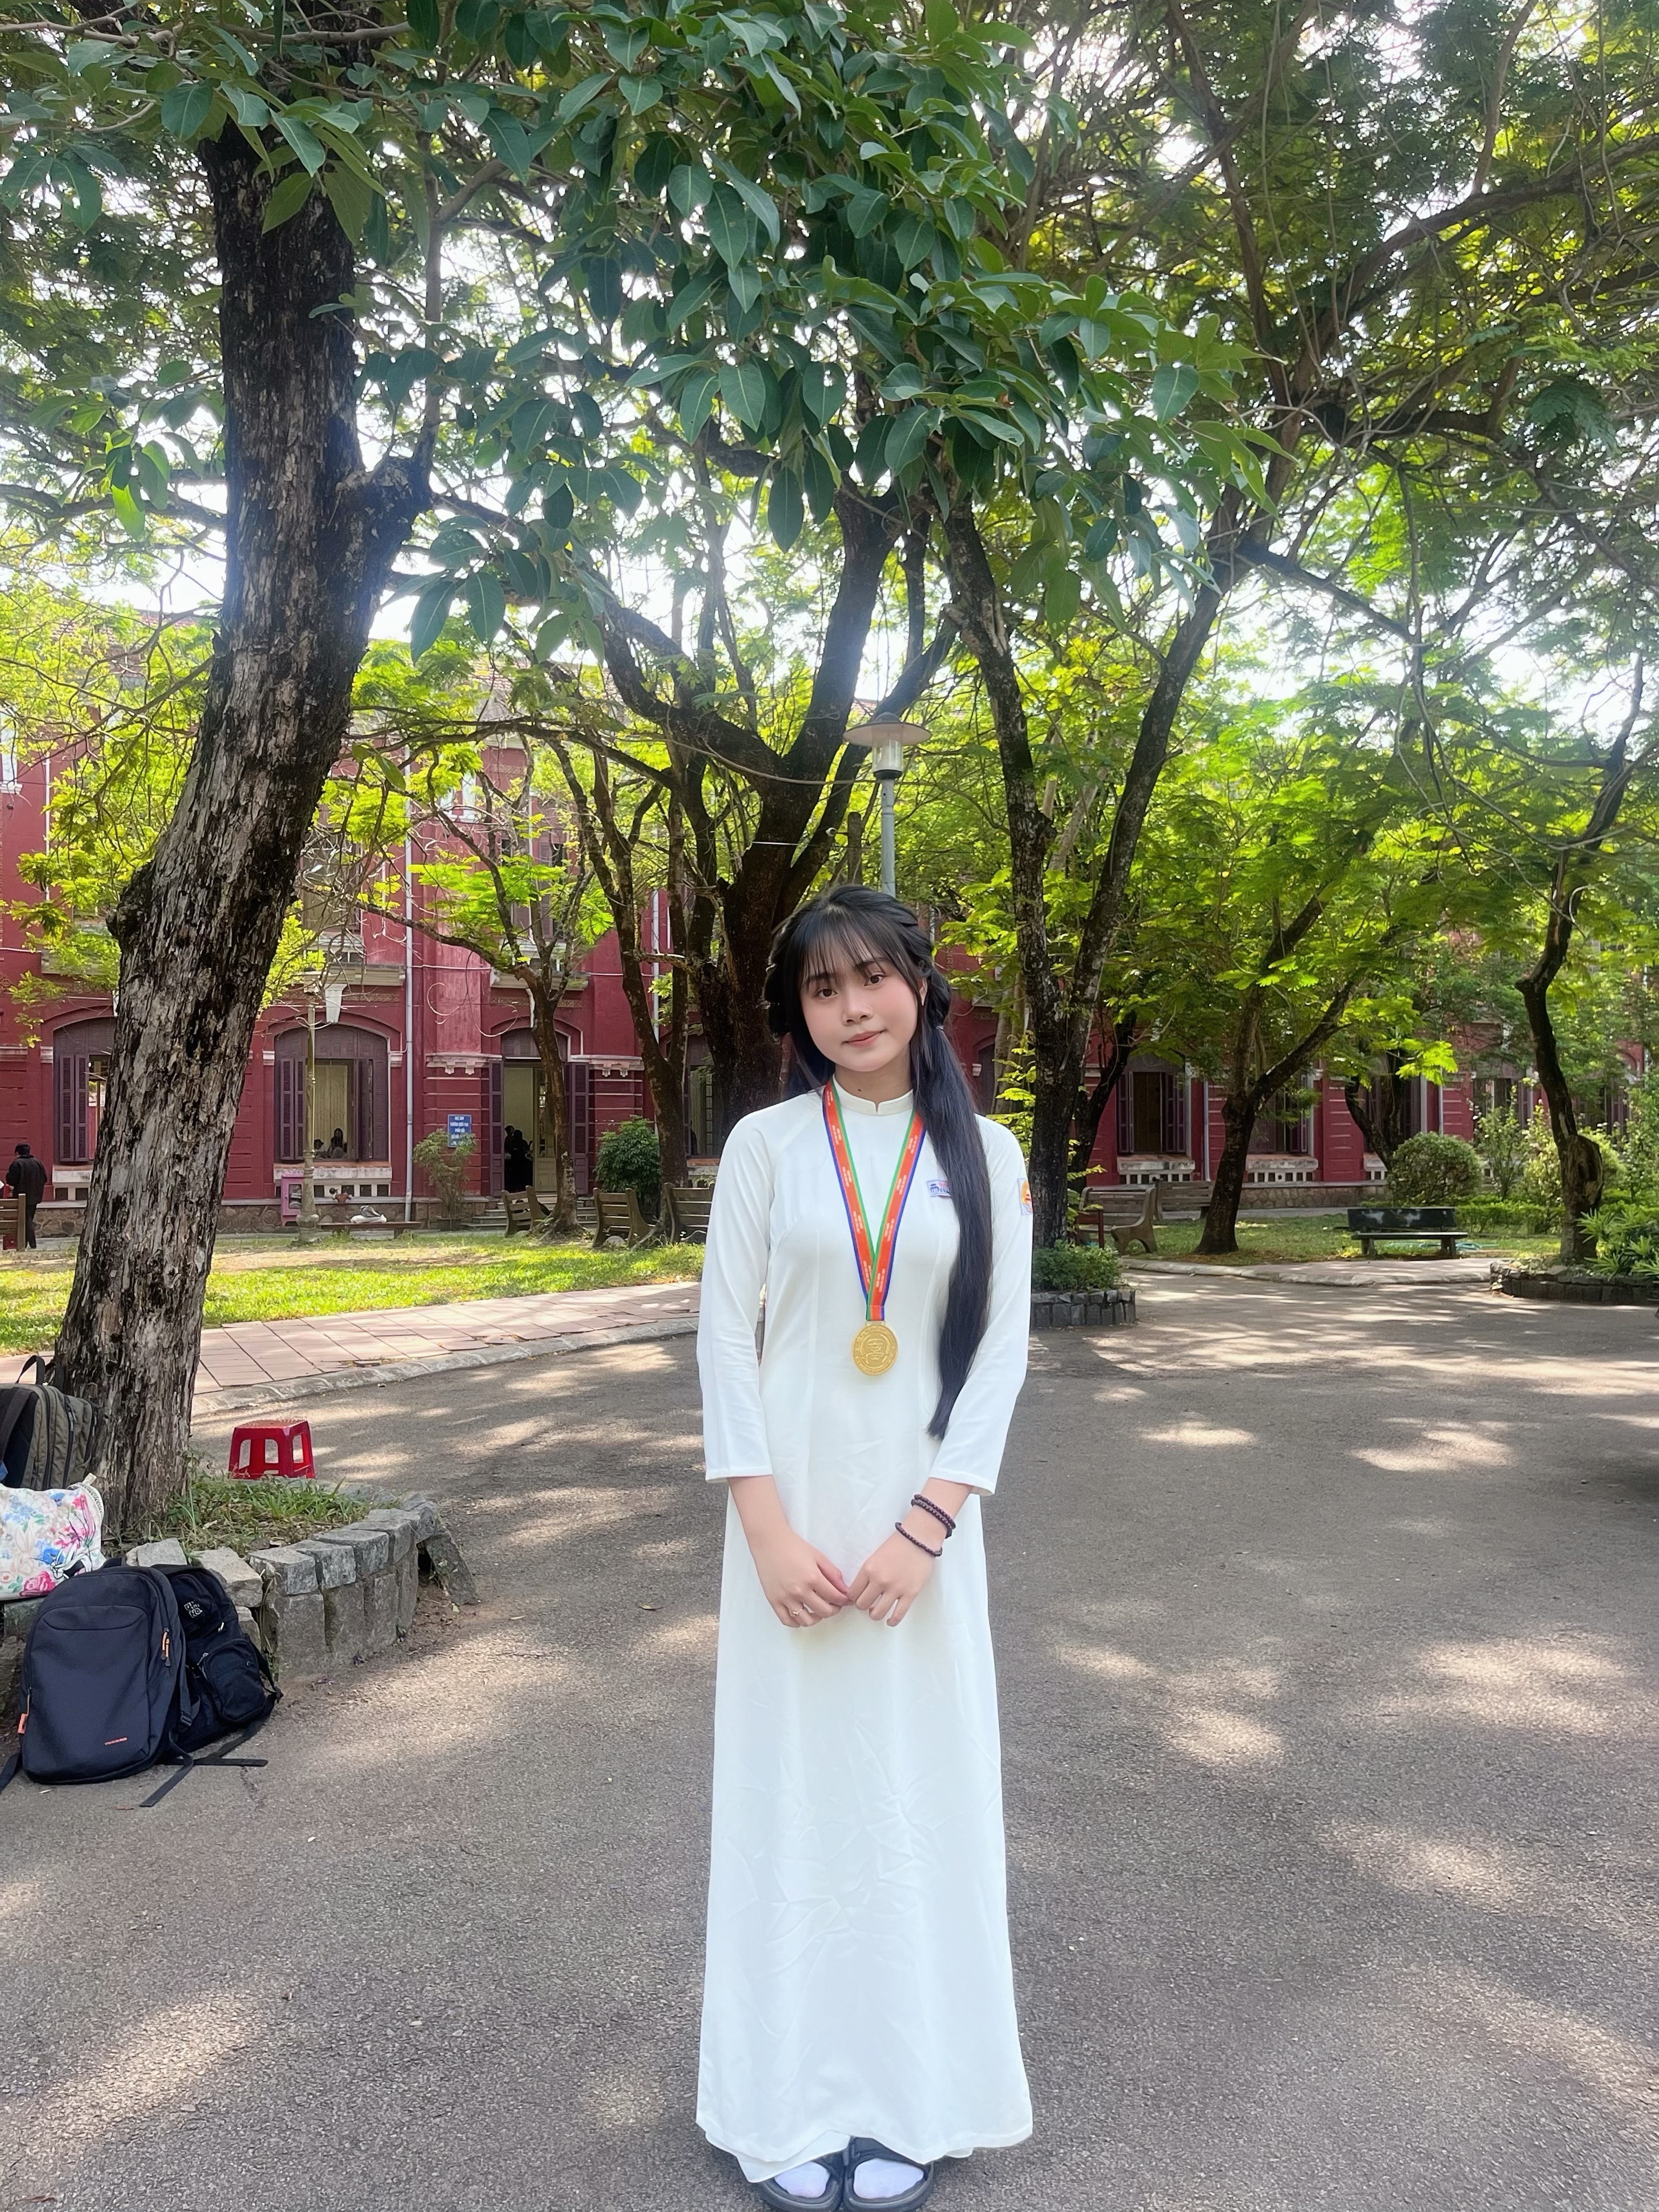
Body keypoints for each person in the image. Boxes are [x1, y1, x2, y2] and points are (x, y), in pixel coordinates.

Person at [696, 887, 1034, 2212]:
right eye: (822, 988)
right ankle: (781, 2096)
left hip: (921, 1540)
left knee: (914, 1796)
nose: (852, 1008)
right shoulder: (766, 1146)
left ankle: (910, 2092)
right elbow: (725, 1343)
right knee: (788, 1798)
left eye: (872, 978)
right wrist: (765, 1531)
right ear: (798, 1011)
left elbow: (998, 1352)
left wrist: (928, 1525)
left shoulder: (986, 1154)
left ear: (919, 985)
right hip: (783, 1532)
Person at [5, 1141, 47, 1251]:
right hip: (36, 1196)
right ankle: (25, 1243)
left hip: (21, 1197)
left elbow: (11, 1180)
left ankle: (32, 1244)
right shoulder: (38, 1163)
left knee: (26, 1219)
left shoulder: (17, 1164)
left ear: (18, 1152)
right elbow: (45, 1179)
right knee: (28, 1218)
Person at [502, 1125, 545, 1219]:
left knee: (515, 1178)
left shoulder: (512, 1142)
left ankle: (516, 1188)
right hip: (521, 1165)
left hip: (514, 1165)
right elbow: (526, 1151)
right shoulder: (518, 1142)